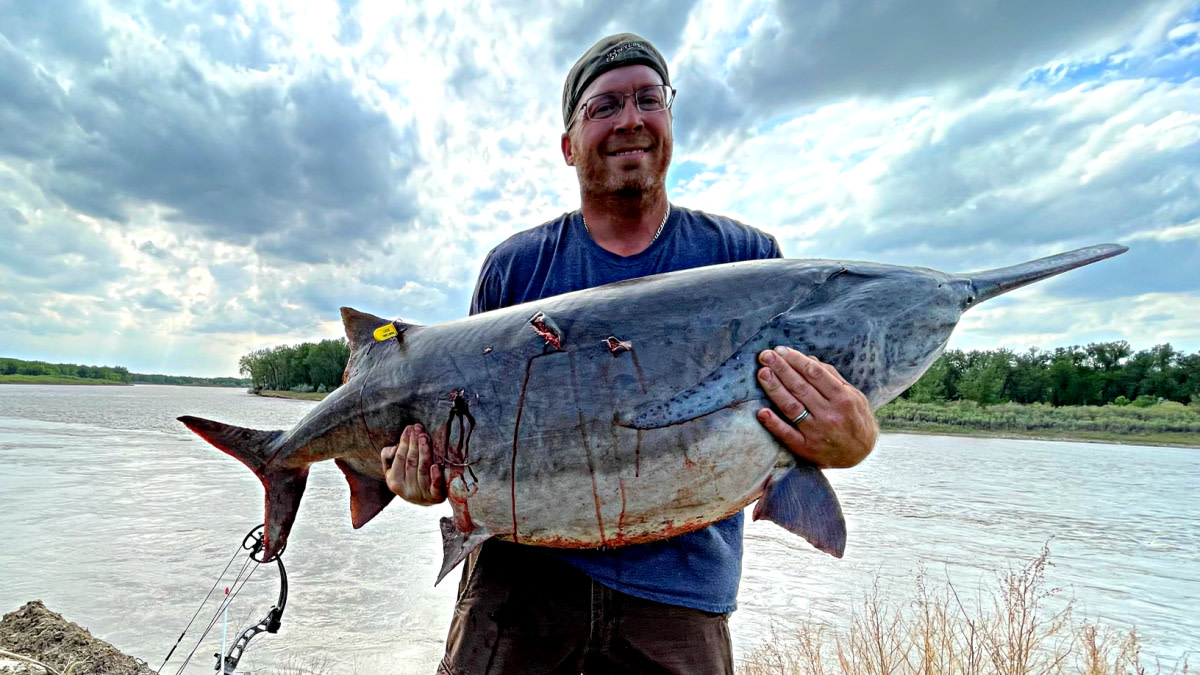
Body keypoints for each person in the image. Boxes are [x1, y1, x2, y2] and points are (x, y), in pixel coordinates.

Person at [379, 33, 878, 675]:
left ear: (669, 121)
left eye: (649, 99)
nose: (630, 120)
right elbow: (462, 438)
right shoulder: (514, 268)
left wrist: (854, 440)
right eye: (605, 106)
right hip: (517, 588)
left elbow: (791, 421)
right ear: (569, 144)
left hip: (680, 597)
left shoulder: (746, 259)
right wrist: (418, 479)